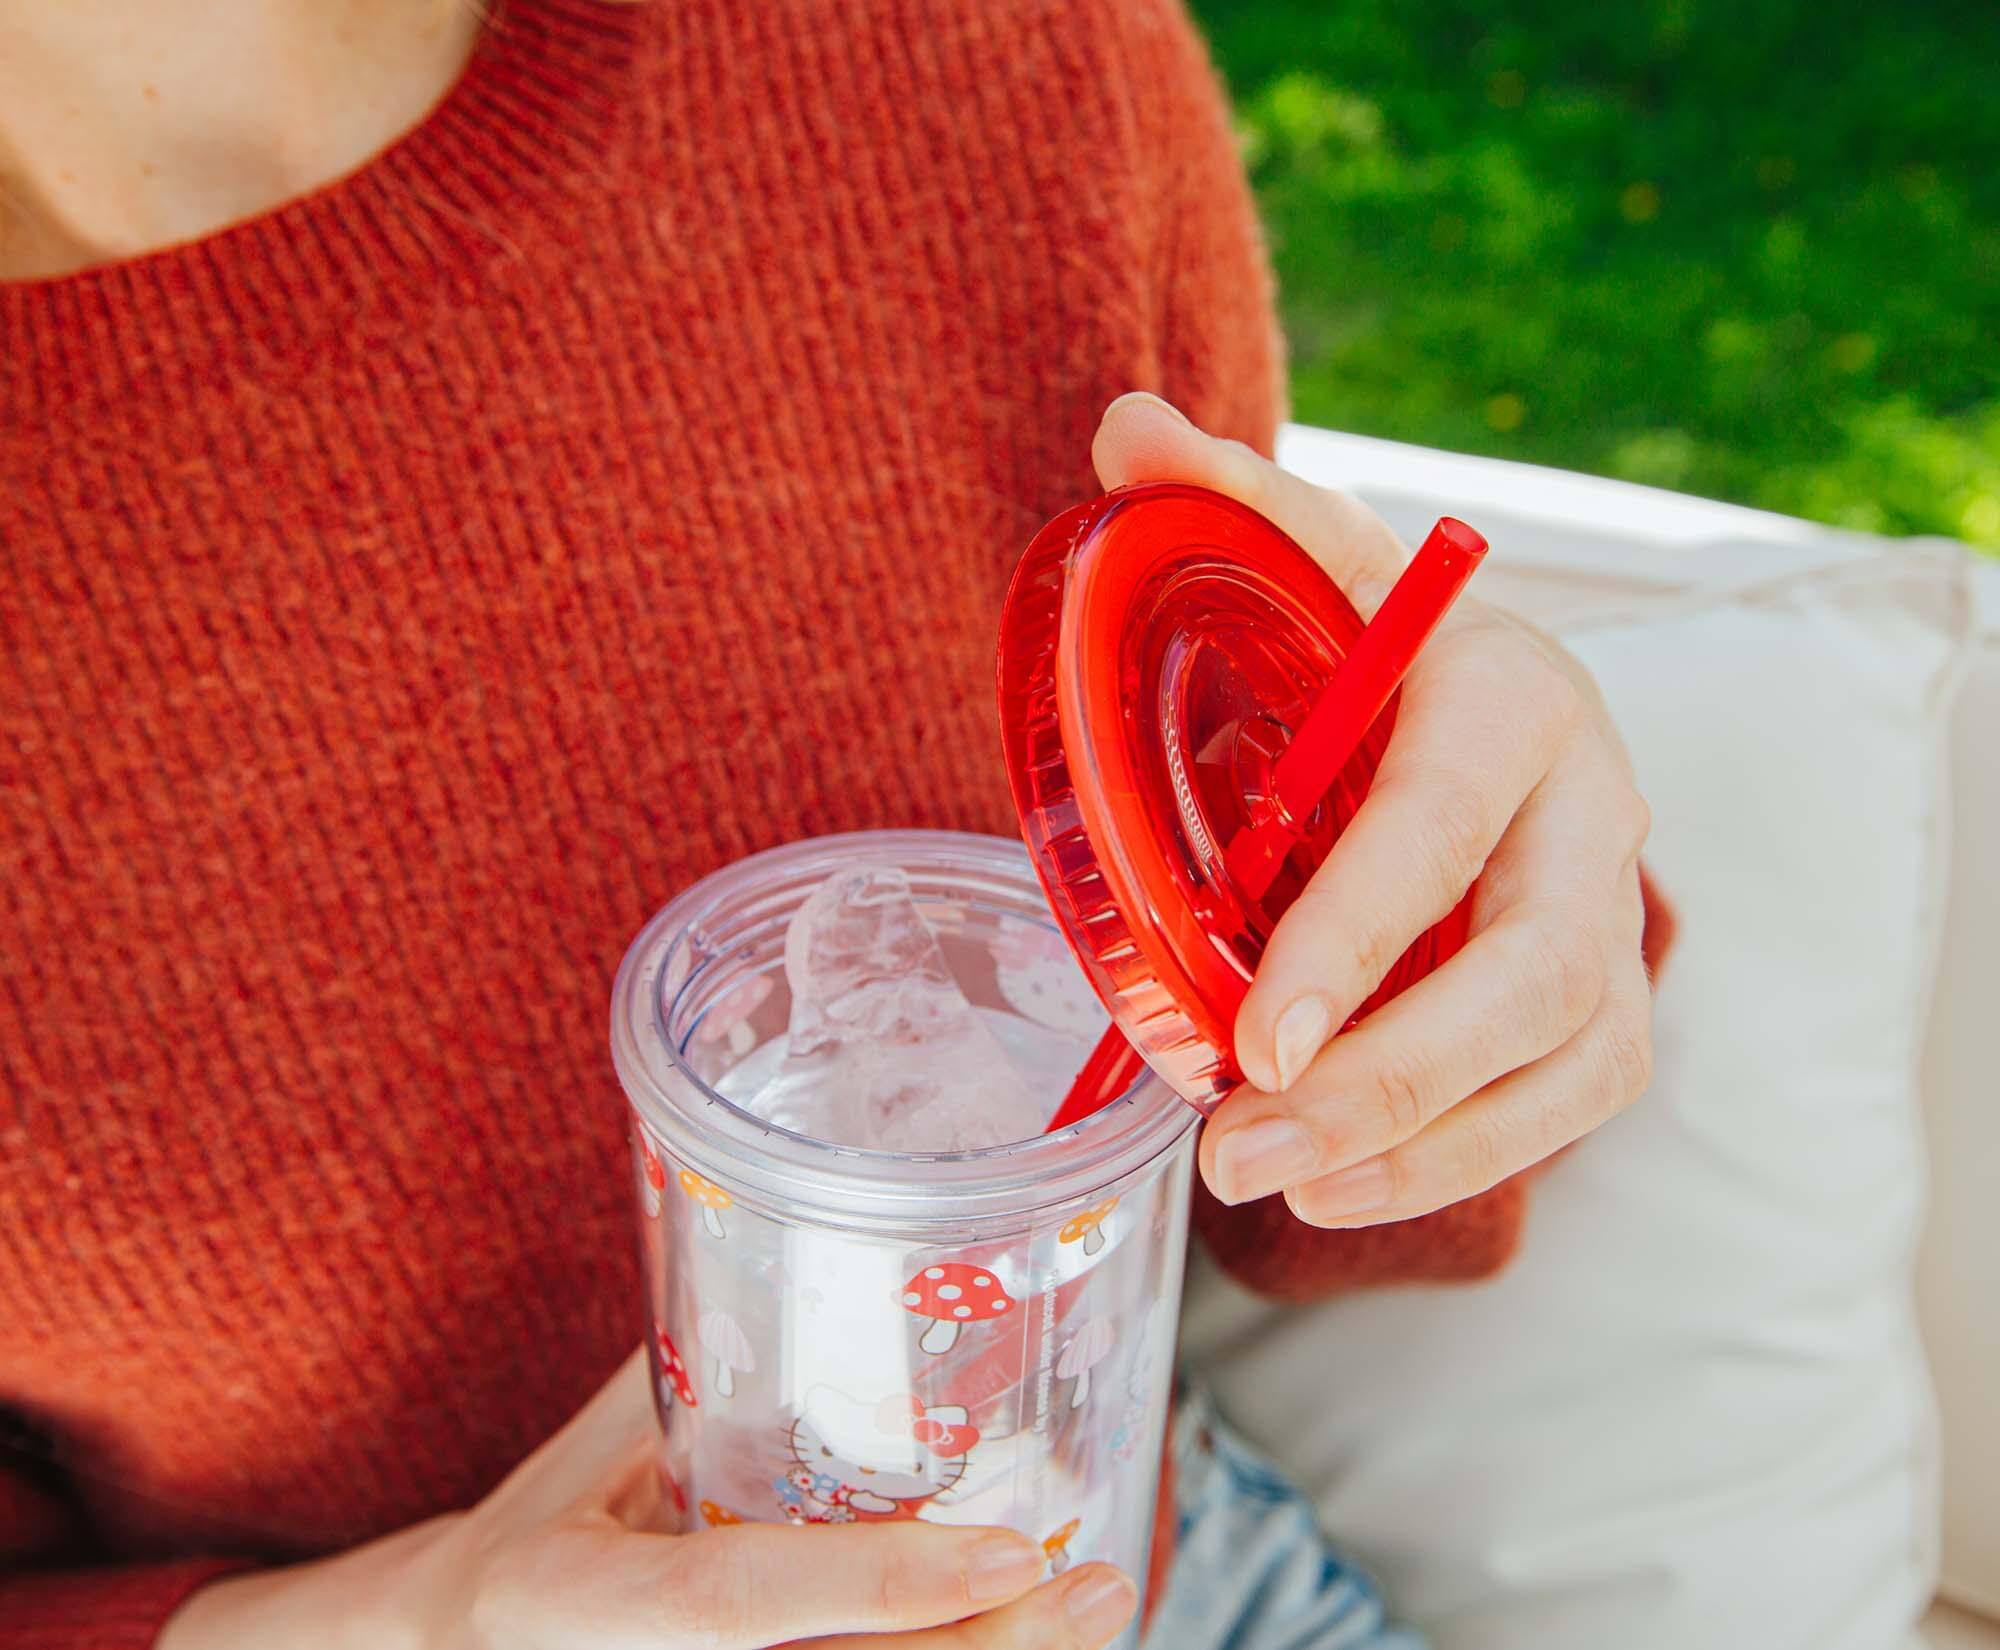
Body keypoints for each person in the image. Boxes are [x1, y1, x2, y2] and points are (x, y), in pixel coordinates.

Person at [0, 2, 1660, 1647]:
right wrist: (421, 1622)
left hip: (1129, 1580)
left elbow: (1257, 1108)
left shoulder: (988, 58)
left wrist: (1449, 919)